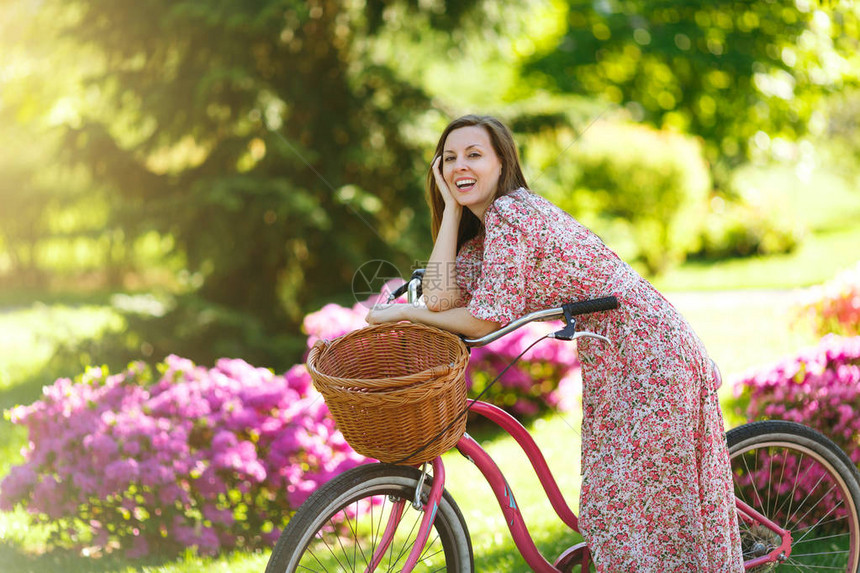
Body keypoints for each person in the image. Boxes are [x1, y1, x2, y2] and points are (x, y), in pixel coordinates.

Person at [366, 114, 743, 571]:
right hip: (615, 357)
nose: (459, 166)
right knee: (613, 503)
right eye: (448, 159)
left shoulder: (512, 213)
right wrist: (449, 209)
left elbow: (484, 322)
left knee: (626, 507)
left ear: (502, 163)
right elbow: (443, 298)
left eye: (473, 154)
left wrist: (405, 311)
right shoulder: (487, 234)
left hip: (650, 351)